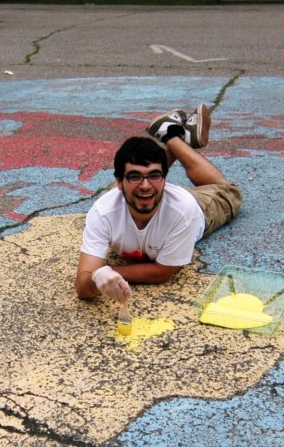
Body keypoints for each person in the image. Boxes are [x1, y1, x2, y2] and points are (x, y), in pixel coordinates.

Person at [75, 104, 243, 303]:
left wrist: (108, 270)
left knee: (229, 191)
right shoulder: (103, 211)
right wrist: (96, 278)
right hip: (132, 197)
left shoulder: (184, 210)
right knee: (136, 188)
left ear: (165, 180)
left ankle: (171, 136)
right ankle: (174, 135)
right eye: (134, 176)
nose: (146, 185)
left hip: (199, 207)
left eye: (155, 176)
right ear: (119, 181)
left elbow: (161, 272)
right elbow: (82, 286)